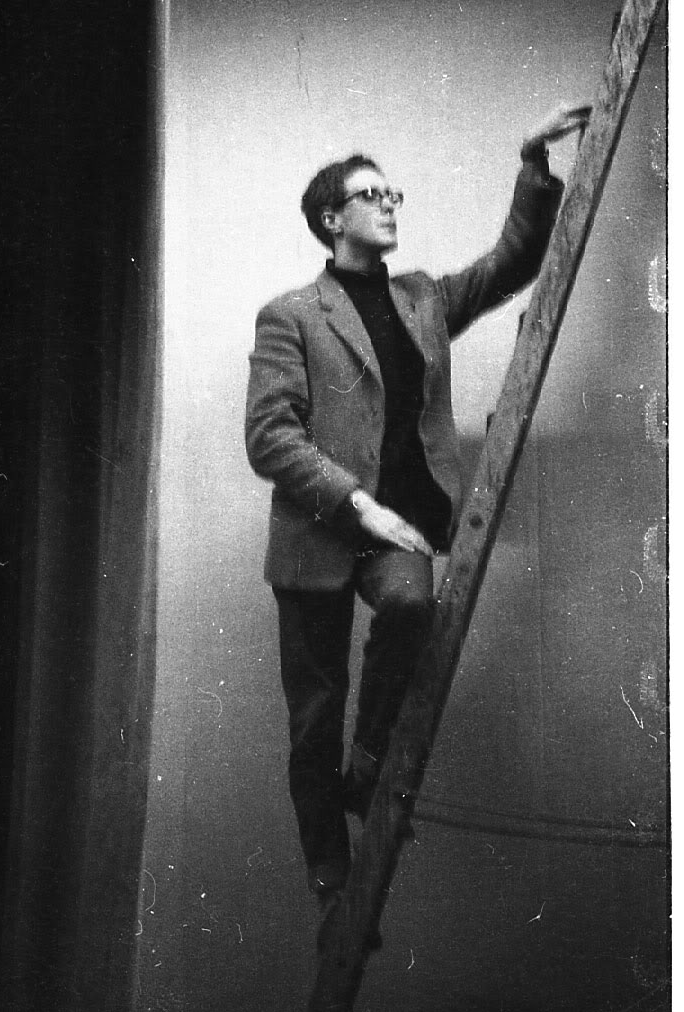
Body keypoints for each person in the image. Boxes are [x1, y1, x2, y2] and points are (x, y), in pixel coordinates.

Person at [245, 104, 589, 946]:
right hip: (322, 533)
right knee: (312, 722)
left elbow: (510, 264)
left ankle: (369, 765)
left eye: (394, 192)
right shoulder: (291, 314)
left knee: (409, 605)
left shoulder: (424, 298)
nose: (391, 203)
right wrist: (356, 502)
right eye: (373, 194)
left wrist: (532, 163)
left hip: (398, 531)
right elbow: (269, 436)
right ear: (333, 219)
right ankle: (331, 885)